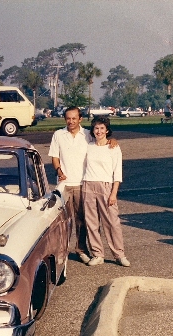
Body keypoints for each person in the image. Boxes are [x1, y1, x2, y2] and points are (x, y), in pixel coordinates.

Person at [82, 116, 130, 267]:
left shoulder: (113, 147)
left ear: (107, 130)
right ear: (92, 130)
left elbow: (117, 172)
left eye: (102, 128)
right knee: (92, 222)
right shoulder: (88, 146)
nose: (99, 131)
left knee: (112, 222)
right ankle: (97, 254)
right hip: (88, 185)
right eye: (96, 128)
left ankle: (119, 254)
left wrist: (113, 193)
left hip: (106, 187)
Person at [48, 106, 92, 264]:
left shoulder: (88, 134)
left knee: (82, 220)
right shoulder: (59, 135)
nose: (71, 121)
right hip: (64, 185)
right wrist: (59, 170)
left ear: (80, 119)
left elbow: (103, 142)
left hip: (82, 183)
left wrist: (113, 141)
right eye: (68, 118)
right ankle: (62, 251)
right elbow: (54, 157)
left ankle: (81, 250)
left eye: (74, 118)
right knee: (64, 221)